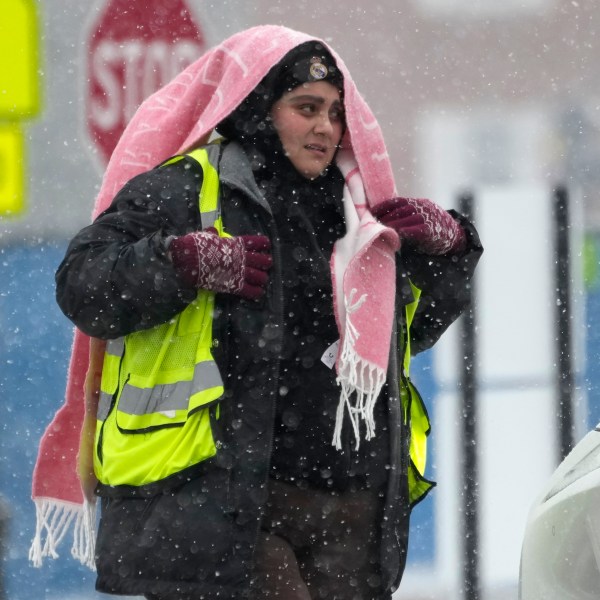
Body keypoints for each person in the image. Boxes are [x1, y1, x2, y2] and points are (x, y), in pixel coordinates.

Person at [51, 25, 482, 600]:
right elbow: (83, 285)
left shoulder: (358, 210)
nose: (326, 128)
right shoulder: (185, 190)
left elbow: (415, 330)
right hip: (229, 512)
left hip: (347, 515)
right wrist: (184, 262)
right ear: (257, 106)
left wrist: (450, 250)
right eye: (305, 108)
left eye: (334, 112)